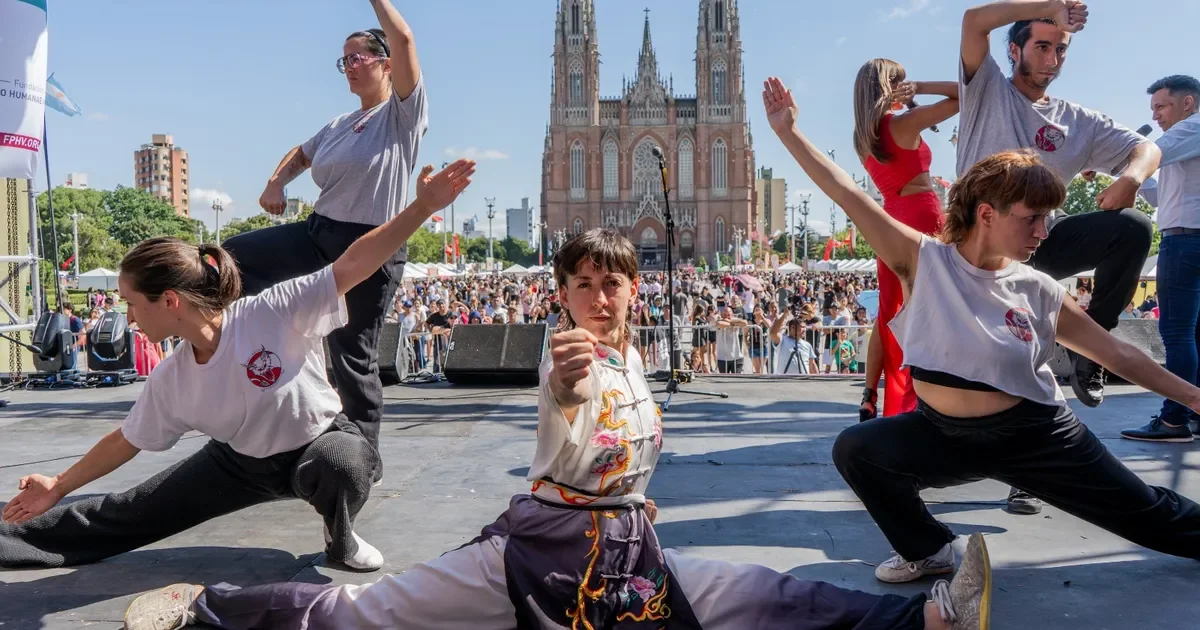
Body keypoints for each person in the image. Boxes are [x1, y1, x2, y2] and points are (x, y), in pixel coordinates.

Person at [122, 229, 991, 630]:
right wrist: (566, 377)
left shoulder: (639, 366)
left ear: (634, 292)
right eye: (585, 284)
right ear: (564, 295)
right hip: (541, 543)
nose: (601, 298)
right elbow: (565, 394)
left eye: (614, 284)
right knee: (366, 616)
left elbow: (626, 446)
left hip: (626, 548)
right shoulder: (564, 356)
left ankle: (929, 622)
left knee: (764, 595)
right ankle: (208, 606)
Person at [764, 74, 1200, 586]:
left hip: (1035, 438)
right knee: (858, 450)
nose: (1044, 231)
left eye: (1047, 219)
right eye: (1033, 218)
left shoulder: (1037, 288)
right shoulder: (922, 260)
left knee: (1155, 517)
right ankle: (929, 550)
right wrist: (788, 131)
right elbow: (843, 190)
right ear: (987, 214)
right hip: (941, 434)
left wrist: (1193, 398)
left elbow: (1121, 357)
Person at [0, 160, 475, 575]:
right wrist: (57, 486)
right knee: (128, 512)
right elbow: (124, 442)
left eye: (131, 304)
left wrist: (422, 208)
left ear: (169, 301)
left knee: (342, 463)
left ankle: (339, 532)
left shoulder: (272, 310)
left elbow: (354, 262)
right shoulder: (172, 378)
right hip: (241, 465)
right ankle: (8, 544)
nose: (128, 318)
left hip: (323, 440)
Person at [957, 0, 1162, 515]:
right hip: (974, 250)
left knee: (1133, 228)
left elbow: (1145, 148)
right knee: (1000, 367)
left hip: (1035, 247)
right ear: (1015, 49)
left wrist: (1130, 178)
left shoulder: (1076, 121)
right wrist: (1047, 6)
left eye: (1060, 49)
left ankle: (1091, 346)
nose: (1051, 58)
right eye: (1042, 46)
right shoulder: (985, 91)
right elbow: (972, 21)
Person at [221, 0, 429, 463]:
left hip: (369, 247)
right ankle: (255, 354)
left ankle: (362, 460)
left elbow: (406, 39)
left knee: (351, 355)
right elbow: (303, 151)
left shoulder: (401, 115)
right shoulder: (338, 124)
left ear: (386, 64)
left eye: (359, 57)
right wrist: (276, 181)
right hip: (318, 234)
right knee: (230, 257)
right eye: (344, 60)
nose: (350, 66)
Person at [854, 59, 959, 421]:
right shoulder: (902, 124)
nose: (906, 86)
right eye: (900, 81)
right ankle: (919, 400)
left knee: (889, 311)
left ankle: (871, 395)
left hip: (888, 221)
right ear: (889, 86)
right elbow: (966, 95)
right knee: (927, 308)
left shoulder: (863, 136)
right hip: (921, 215)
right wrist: (922, 88)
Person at [1120, 75, 1200, 442]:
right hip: (1185, 237)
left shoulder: (1192, 128)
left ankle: (1173, 420)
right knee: (1194, 334)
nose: (1155, 117)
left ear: (1187, 103)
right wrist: (1122, 171)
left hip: (1184, 241)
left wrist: (1119, 159)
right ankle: (1193, 415)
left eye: (1161, 107)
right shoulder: (1187, 142)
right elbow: (1156, 196)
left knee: (1178, 334)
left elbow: (1152, 154)